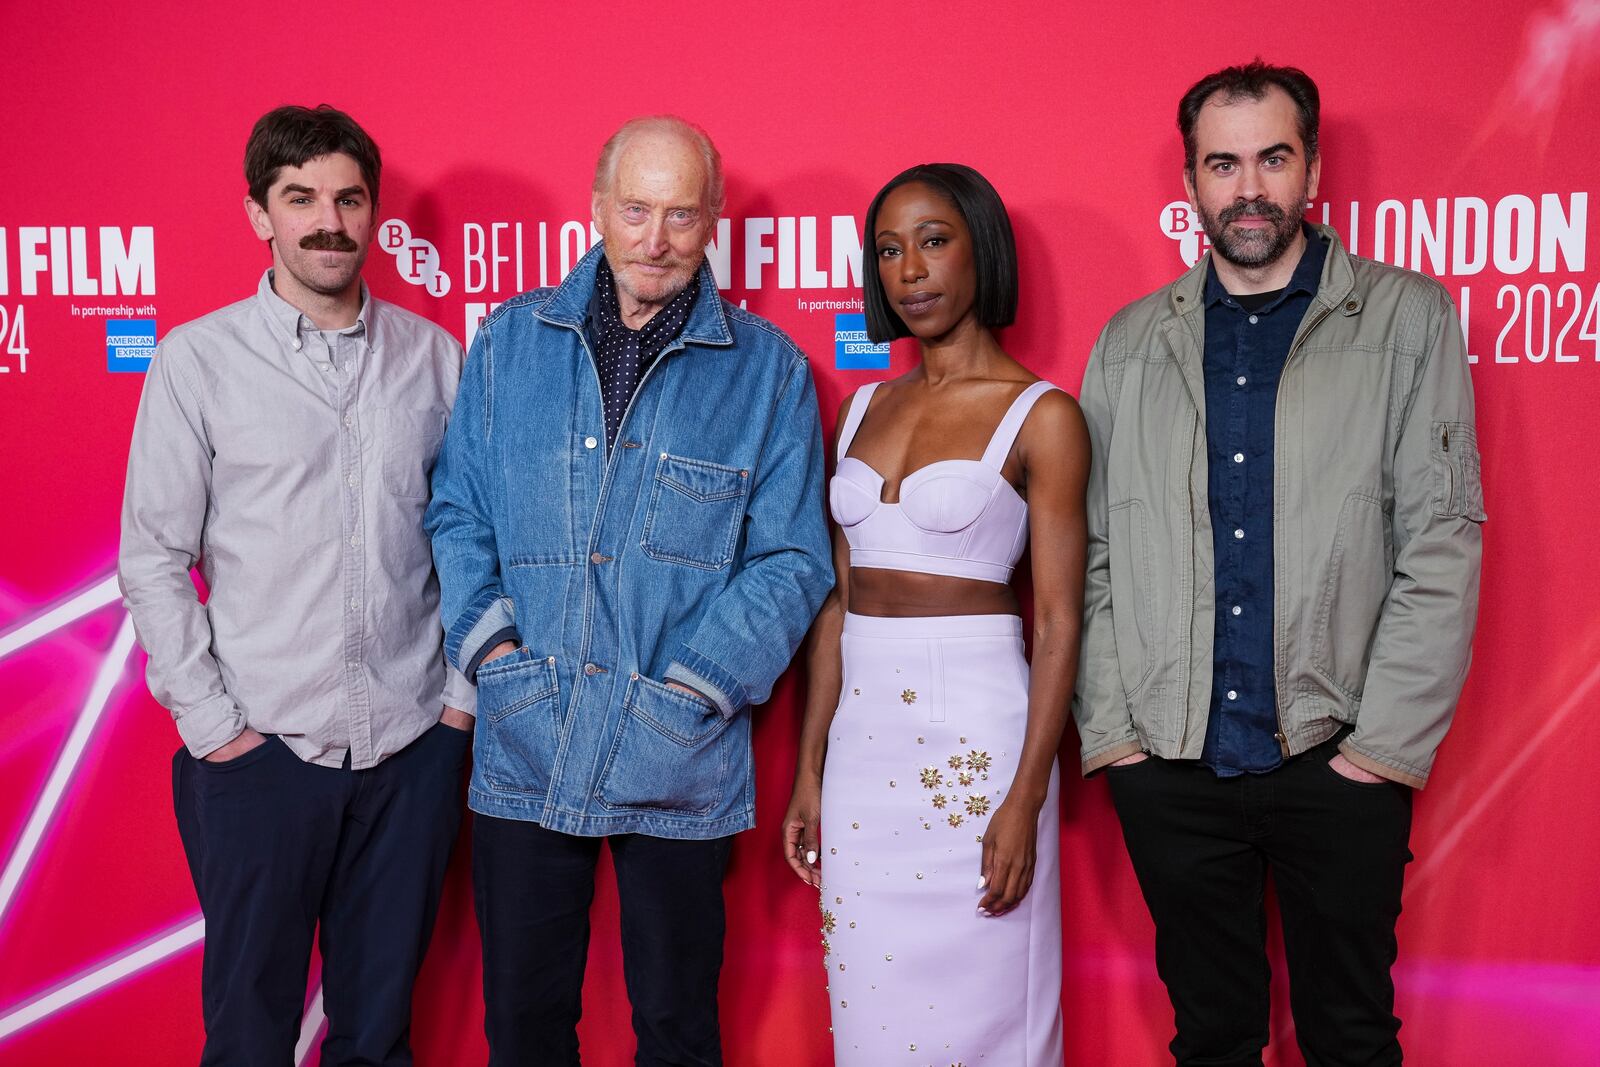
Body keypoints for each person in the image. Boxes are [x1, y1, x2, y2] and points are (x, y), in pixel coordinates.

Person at [1075, 61, 1485, 1065]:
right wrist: (1119, 737)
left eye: (1271, 158)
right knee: (1210, 1036)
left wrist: (1377, 754)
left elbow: (1442, 540)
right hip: (1171, 764)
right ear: (1190, 185)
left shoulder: (1404, 318)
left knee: (1349, 1033)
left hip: (1336, 755)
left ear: (1311, 169)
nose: (1247, 187)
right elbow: (1088, 555)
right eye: (1222, 163)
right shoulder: (1128, 344)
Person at [425, 115, 832, 1066]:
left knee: (679, 1030)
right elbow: (457, 513)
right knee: (523, 1028)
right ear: (600, 207)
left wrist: (696, 688)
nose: (657, 239)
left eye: (681, 214)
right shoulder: (510, 343)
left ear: (714, 220)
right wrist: (493, 655)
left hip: (679, 754)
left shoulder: (767, 371)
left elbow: (792, 560)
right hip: (527, 736)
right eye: (637, 209)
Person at [118, 104, 474, 1067]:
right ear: (258, 214)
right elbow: (152, 554)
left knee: (378, 1033)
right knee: (247, 1034)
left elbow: (478, 538)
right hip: (257, 754)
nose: (329, 221)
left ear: (374, 212)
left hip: (410, 752)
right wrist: (216, 728)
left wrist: (457, 709)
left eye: (349, 199)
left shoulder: (437, 361)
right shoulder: (197, 361)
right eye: (301, 197)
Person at [782, 163, 1085, 1065]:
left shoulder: (1044, 416)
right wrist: (809, 768)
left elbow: (1061, 622)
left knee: (991, 1011)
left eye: (934, 240)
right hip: (864, 757)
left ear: (980, 248)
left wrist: (1025, 798)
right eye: (888, 249)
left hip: (978, 744)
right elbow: (839, 604)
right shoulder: (862, 406)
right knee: (872, 1014)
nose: (910, 269)